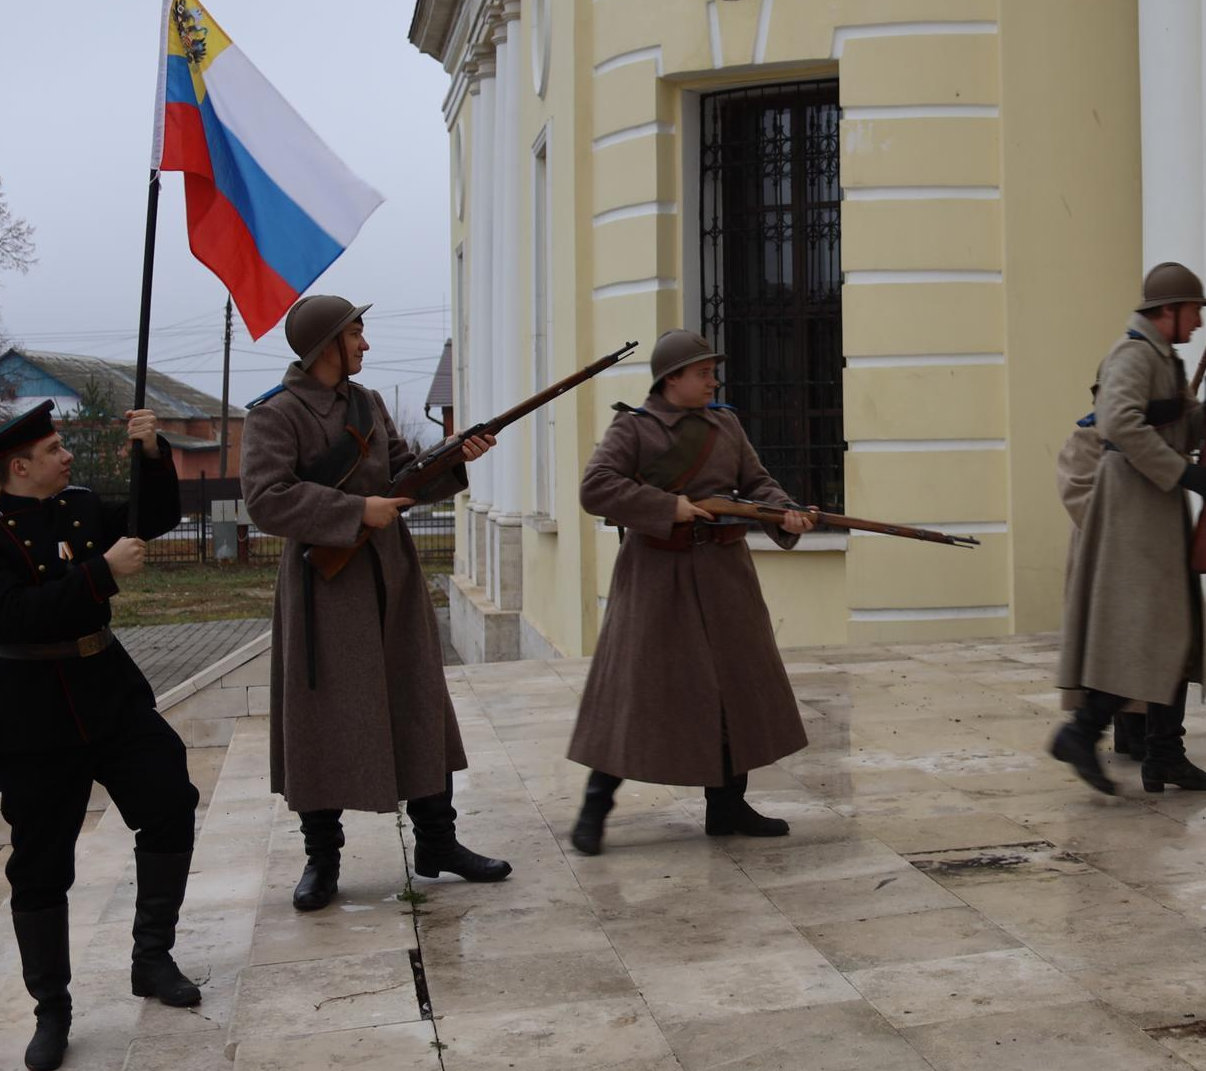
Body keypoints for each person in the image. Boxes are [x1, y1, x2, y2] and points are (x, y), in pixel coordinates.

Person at [0, 399, 202, 1071]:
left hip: (107, 688)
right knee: (40, 864)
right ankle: (51, 1008)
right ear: (21, 465)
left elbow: (154, 520)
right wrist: (100, 572)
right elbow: (14, 615)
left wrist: (153, 454)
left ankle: (152, 957)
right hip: (32, 710)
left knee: (170, 798)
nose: (68, 456)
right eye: (56, 449)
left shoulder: (82, 505)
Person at [242, 294, 507, 912]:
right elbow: (266, 499)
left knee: (417, 700)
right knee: (322, 717)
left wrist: (453, 458)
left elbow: (404, 475)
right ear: (326, 344)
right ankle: (321, 861)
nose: (365, 345)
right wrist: (355, 511)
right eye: (355, 334)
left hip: (391, 573)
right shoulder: (274, 416)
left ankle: (438, 841)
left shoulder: (369, 404)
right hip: (324, 585)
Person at [565, 329, 815, 855]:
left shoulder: (725, 423)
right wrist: (668, 507)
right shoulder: (634, 428)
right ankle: (594, 807)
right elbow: (596, 487)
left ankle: (728, 806)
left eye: (712, 372)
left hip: (725, 573)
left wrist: (785, 512)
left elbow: (757, 484)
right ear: (670, 379)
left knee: (733, 689)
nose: (712, 380)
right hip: (659, 575)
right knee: (636, 691)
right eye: (702, 372)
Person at [1050, 262, 1206, 796]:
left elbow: (1171, 425)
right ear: (1168, 311)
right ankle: (1084, 734)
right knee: (1144, 631)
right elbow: (1119, 423)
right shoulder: (1133, 354)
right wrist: (1184, 471)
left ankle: (1163, 755)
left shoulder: (1161, 358)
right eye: (1194, 311)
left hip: (1153, 507)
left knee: (1167, 631)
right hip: (1134, 507)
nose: (1199, 322)